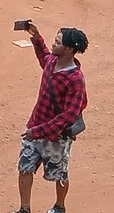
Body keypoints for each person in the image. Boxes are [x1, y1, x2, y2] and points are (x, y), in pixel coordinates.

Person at [15, 22, 89, 213]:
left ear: (69, 49)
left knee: (59, 174)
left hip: (56, 137)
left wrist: (37, 131)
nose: (54, 44)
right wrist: (36, 36)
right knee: (25, 167)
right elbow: (43, 56)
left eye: (58, 42)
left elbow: (68, 117)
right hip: (35, 128)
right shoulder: (51, 62)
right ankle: (24, 209)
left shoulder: (75, 79)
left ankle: (59, 206)